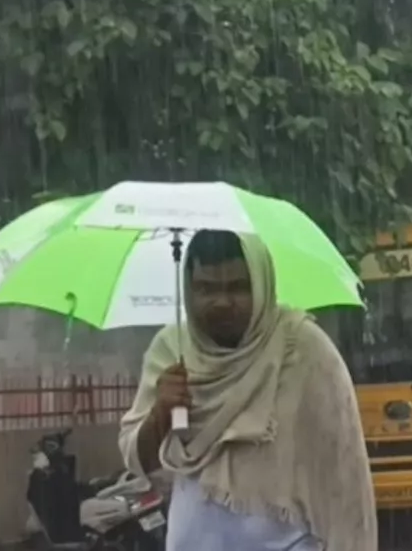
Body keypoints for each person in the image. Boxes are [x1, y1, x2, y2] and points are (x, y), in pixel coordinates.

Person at [118, 230, 377, 550]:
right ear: (188, 289)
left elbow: (344, 473)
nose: (222, 302)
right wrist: (160, 414)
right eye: (206, 288)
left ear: (262, 285)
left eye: (238, 287)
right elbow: (138, 459)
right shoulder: (171, 351)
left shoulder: (303, 351)